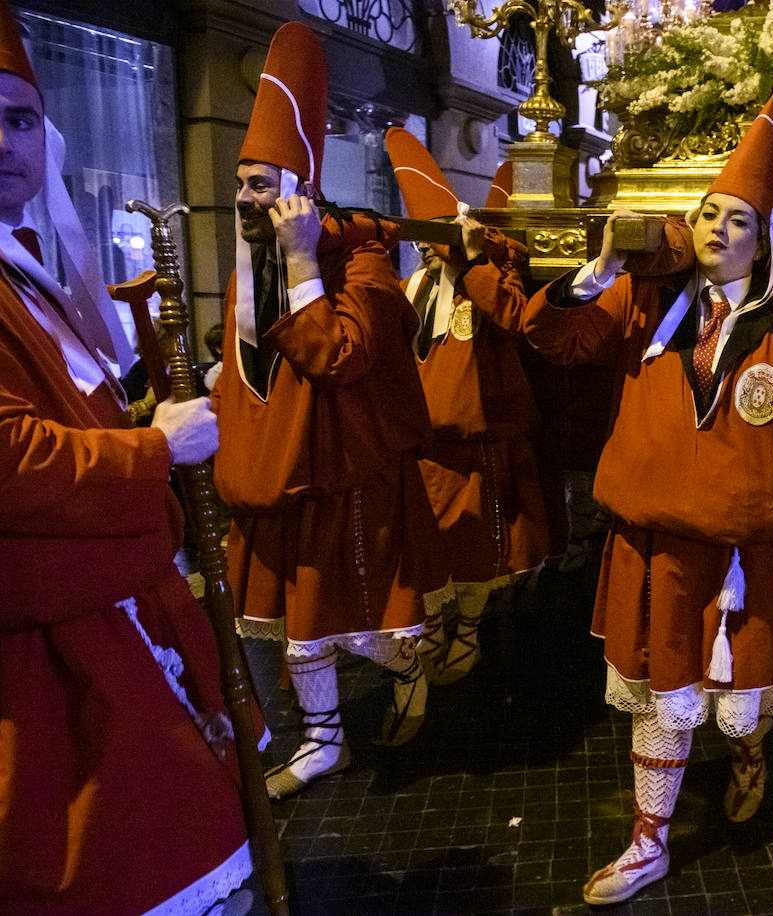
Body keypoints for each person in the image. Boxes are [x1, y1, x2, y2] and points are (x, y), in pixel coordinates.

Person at [522, 73, 773, 905]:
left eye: (740, 221)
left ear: (765, 243)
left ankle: (751, 751)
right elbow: (554, 340)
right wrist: (600, 264)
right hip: (654, 543)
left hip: (749, 551)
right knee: (662, 692)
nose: (720, 229)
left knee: (745, 695)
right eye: (709, 215)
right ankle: (649, 839)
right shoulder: (642, 302)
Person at [0, 0, 258, 909]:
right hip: (47, 659)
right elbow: (11, 459)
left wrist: (150, 409)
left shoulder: (21, 266)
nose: (3, 142)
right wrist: (155, 449)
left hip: (111, 615)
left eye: (19, 118)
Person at [212, 22, 438, 800]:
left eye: (263, 184)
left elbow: (340, 356)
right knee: (298, 630)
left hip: (345, 477)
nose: (246, 198)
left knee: (368, 622)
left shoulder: (365, 263)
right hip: (272, 477)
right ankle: (324, 741)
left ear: (303, 195)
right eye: (242, 182)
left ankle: (418, 665)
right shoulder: (248, 264)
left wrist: (306, 258)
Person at [385, 127, 548, 683]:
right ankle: (433, 624)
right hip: (424, 446)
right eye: (421, 237)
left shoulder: (491, 273)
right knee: (429, 545)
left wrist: (476, 263)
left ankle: (471, 630)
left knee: (482, 547)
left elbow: (513, 319)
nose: (427, 246)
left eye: (435, 234)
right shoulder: (409, 286)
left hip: (481, 441)